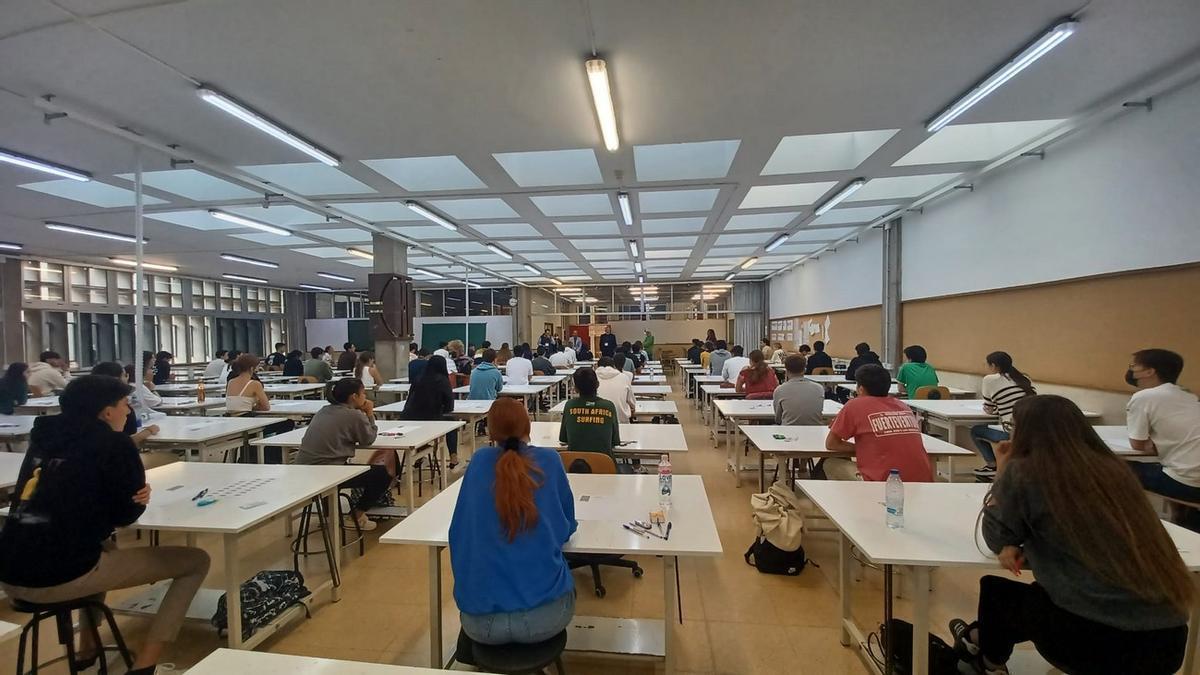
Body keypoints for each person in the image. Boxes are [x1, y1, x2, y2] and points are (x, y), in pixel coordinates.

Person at [951, 395, 1193, 675]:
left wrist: (1002, 474)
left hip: (1095, 645)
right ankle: (976, 636)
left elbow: (995, 537)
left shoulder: (1025, 472)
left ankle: (987, 661)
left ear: (1024, 431)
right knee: (1039, 597)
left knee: (999, 594)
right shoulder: (1116, 471)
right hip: (1168, 643)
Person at [0, 375, 210, 675]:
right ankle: (147, 663)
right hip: (58, 576)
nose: (129, 412)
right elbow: (126, 516)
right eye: (125, 404)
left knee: (100, 544)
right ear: (106, 411)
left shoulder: (43, 439)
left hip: (10, 570)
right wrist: (137, 497)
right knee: (196, 561)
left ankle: (88, 644)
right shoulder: (114, 444)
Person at [449, 398, 576, 645]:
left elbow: (460, 530)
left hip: (479, 623)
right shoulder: (549, 460)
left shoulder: (477, 463)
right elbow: (566, 527)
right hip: (544, 617)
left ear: (490, 430)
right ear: (527, 426)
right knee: (566, 578)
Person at [296, 378, 390, 531]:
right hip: (329, 472)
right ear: (354, 396)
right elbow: (368, 439)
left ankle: (329, 515)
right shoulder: (354, 415)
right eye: (363, 394)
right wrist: (369, 413)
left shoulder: (323, 410)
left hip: (302, 470)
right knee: (381, 474)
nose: (365, 397)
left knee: (358, 469)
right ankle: (357, 515)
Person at [825, 364, 932, 482]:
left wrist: (868, 450)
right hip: (921, 481)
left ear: (860, 389)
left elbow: (832, 444)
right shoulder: (903, 406)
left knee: (830, 464)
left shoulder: (855, 405)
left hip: (884, 483)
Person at [1124, 349, 1200, 510]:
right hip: (1194, 479)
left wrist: (1154, 444)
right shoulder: (1189, 395)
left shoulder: (1144, 397)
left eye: (1134, 366)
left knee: (1110, 467)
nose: (1131, 370)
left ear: (1150, 371)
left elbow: (1137, 444)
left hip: (1185, 484)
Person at [969, 352, 1036, 478]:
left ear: (994, 366)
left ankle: (991, 465)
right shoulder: (1024, 378)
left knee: (976, 430)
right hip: (1032, 430)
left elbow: (989, 409)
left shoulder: (989, 380)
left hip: (1012, 432)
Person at [559, 369, 628, 472]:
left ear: (576, 389)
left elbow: (563, 439)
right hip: (604, 468)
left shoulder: (569, 406)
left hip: (575, 468)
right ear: (597, 384)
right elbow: (615, 441)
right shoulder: (608, 406)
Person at [401, 355, 459, 467]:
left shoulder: (418, 378)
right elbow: (449, 407)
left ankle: (421, 450)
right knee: (452, 423)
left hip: (409, 419)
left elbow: (410, 399)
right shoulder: (442, 380)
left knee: (423, 425)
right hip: (431, 420)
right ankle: (453, 457)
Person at [91, 362, 159, 447]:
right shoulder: (112, 403)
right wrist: (147, 431)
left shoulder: (90, 402)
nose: (128, 411)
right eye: (124, 375)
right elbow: (118, 444)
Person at [774, 355, 825, 425]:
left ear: (786, 371)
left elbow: (778, 419)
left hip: (788, 432)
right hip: (815, 431)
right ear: (805, 370)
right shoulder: (819, 388)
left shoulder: (780, 390)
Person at [595, 356, 637, 423]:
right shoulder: (624, 377)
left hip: (598, 421)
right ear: (614, 366)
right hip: (621, 421)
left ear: (597, 366)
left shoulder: (592, 377)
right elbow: (632, 402)